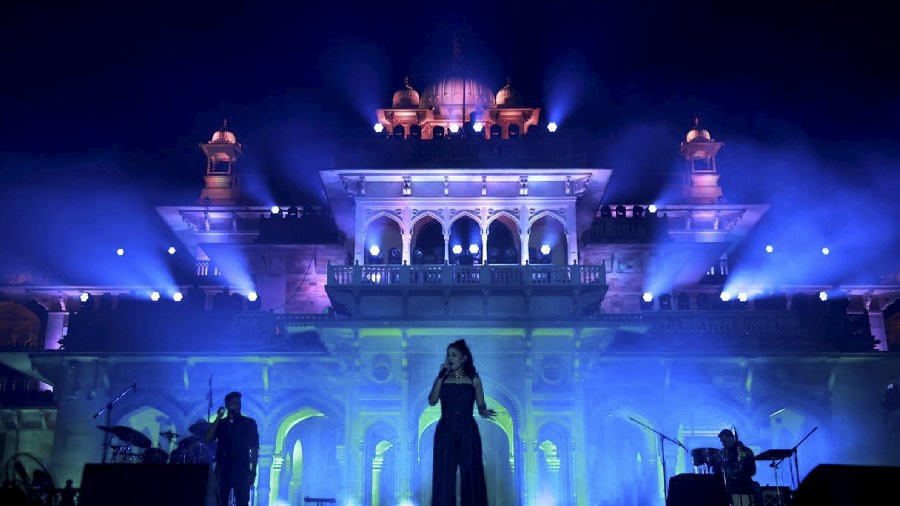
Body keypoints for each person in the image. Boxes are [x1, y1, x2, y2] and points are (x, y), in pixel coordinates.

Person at [428, 339, 496, 506]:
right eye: (448, 355)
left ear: (463, 358)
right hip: (445, 430)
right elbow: (432, 400)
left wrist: (485, 412)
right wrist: (440, 377)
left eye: (453, 354)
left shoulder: (474, 379)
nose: (449, 358)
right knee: (444, 474)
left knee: (471, 473)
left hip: (467, 430)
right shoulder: (443, 378)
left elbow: (481, 406)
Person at [204, 391, 259, 506]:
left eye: (239, 403)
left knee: (242, 501)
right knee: (221, 500)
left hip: (241, 469)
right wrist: (218, 417)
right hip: (223, 468)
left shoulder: (248, 423)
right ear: (227, 405)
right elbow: (208, 438)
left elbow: (254, 448)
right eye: (234, 402)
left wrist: (253, 471)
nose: (237, 405)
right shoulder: (222, 423)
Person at [716, 428, 764, 506]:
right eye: (722, 442)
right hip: (729, 483)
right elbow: (717, 471)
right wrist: (727, 472)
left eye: (724, 441)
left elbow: (752, 471)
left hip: (744, 481)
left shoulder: (746, 451)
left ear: (731, 438)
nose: (723, 444)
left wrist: (739, 469)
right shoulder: (721, 453)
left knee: (756, 488)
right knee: (717, 490)